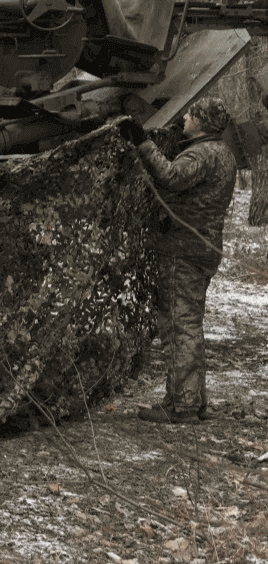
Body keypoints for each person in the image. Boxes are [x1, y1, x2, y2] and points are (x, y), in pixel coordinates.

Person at [120, 97, 237, 424]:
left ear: (201, 122)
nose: (185, 117)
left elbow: (171, 176)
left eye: (190, 114)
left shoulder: (201, 154)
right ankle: (193, 401)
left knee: (178, 327)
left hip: (182, 250)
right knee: (190, 325)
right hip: (204, 248)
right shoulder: (224, 154)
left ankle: (181, 406)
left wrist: (143, 143)